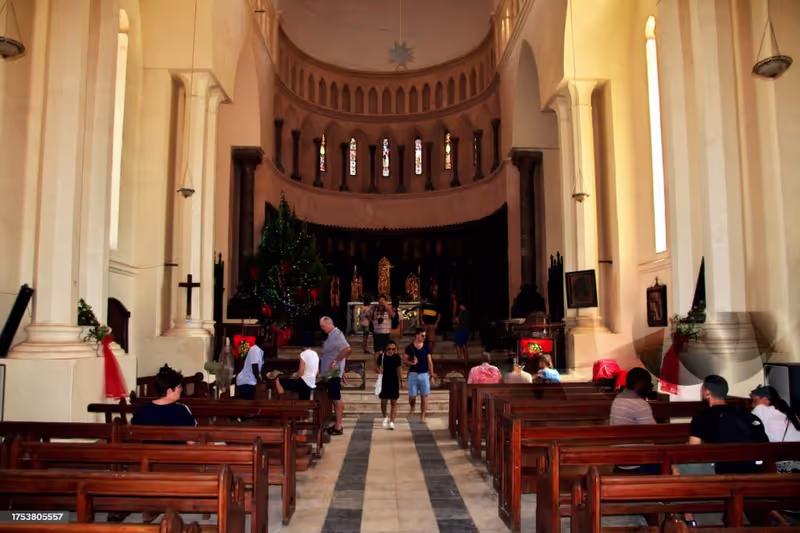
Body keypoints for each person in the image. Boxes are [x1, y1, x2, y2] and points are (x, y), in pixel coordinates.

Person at [678, 375, 769, 526]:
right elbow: (764, 445)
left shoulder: (703, 417)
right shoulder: (747, 415)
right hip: (754, 471)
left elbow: (692, 452)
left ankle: (690, 517)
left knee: (679, 466)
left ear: (707, 391)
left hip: (723, 472)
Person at [609, 367, 657, 474]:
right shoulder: (640, 404)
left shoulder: (618, 398)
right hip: (636, 462)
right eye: (648, 383)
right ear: (640, 384)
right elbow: (653, 434)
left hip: (618, 456)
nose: (650, 386)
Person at [751, 385, 800, 473]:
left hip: (783, 464)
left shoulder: (760, 409)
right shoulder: (787, 412)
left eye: (755, 401)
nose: (752, 405)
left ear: (766, 399)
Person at [131, 365, 196, 427]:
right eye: (179, 387)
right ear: (169, 391)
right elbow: (193, 433)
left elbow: (131, 428)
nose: (181, 389)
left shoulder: (143, 409)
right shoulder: (182, 410)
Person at [320, 316, 351, 436]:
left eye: (323, 326)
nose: (322, 329)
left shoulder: (337, 334)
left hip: (333, 372)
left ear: (329, 324)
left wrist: (337, 362)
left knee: (336, 398)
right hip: (331, 372)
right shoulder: (331, 335)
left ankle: (338, 426)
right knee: (334, 398)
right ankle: (337, 424)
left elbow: (347, 350)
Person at [404, 328, 434, 422]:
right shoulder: (409, 347)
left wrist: (431, 375)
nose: (424, 337)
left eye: (425, 336)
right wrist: (411, 363)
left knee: (424, 395)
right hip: (413, 374)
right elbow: (405, 360)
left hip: (424, 374)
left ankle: (423, 415)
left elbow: (429, 361)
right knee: (412, 396)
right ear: (417, 336)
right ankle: (412, 407)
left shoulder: (426, 347)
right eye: (422, 335)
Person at [376, 340, 403, 430]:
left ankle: (392, 421)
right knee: (384, 401)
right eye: (389, 349)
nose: (391, 350)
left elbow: (399, 369)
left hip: (394, 381)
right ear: (386, 349)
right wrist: (379, 370)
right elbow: (376, 366)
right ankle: (385, 416)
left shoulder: (397, 357)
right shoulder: (382, 356)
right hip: (384, 381)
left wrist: (402, 381)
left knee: (394, 402)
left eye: (393, 349)